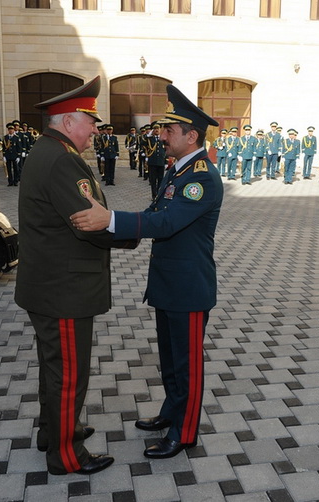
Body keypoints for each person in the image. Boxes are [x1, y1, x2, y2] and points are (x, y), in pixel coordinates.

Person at [70, 84, 224, 460]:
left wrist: (112, 220)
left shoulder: (201, 177)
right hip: (170, 283)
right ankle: (172, 413)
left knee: (188, 366)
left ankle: (185, 433)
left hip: (188, 287)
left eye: (169, 131)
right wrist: (117, 225)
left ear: (191, 136)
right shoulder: (179, 170)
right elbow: (156, 213)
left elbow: (168, 222)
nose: (162, 135)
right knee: (171, 360)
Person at [14, 76, 135, 476]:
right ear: (68, 122)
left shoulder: (49, 149)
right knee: (68, 375)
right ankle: (67, 456)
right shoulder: (63, 158)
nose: (97, 130)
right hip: (63, 290)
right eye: (91, 122)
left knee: (55, 369)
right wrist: (135, 227)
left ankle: (54, 432)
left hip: (49, 285)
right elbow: (89, 223)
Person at [145, 122, 166, 199]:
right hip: (152, 162)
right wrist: (148, 135)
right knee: (153, 180)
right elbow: (142, 144)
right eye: (155, 129)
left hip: (161, 162)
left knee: (160, 180)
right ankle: (154, 195)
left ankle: (159, 195)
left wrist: (166, 162)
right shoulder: (149, 139)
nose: (156, 130)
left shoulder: (163, 139)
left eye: (158, 128)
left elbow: (166, 150)